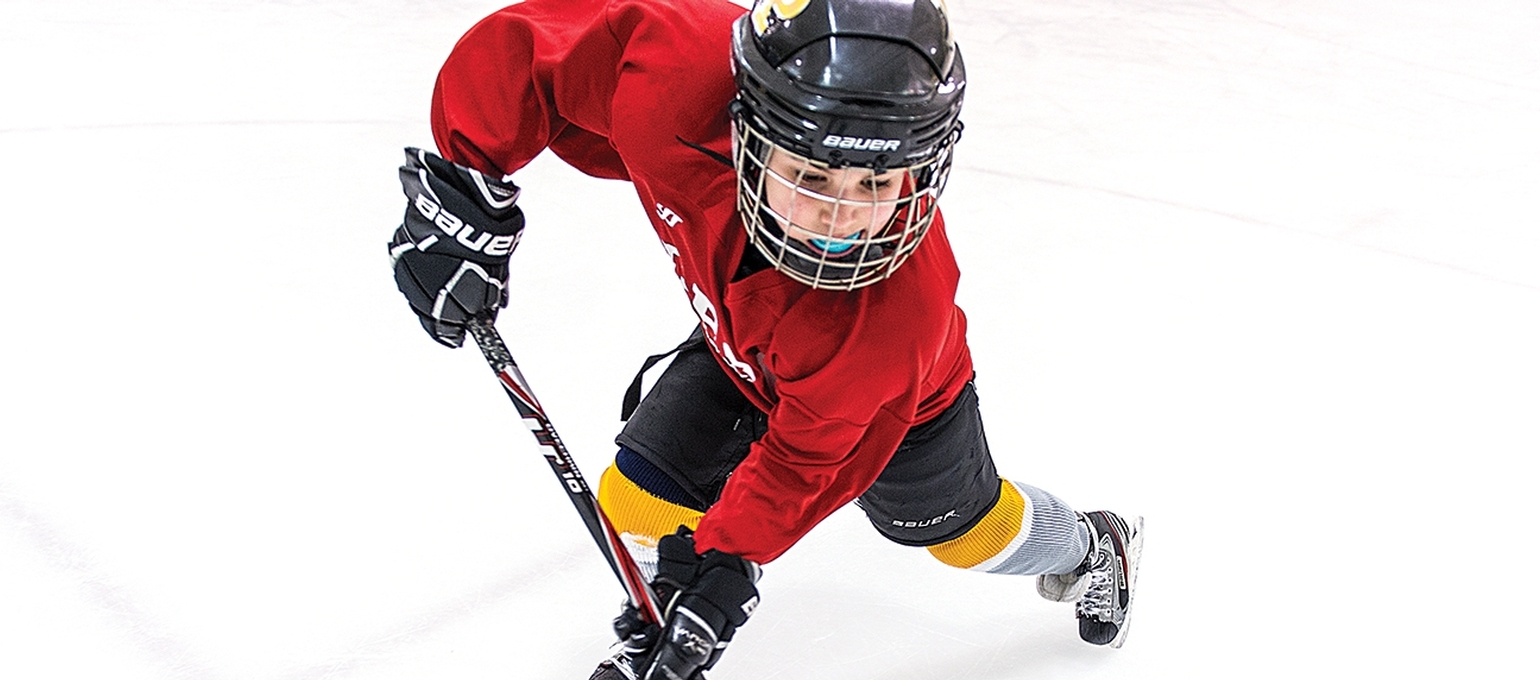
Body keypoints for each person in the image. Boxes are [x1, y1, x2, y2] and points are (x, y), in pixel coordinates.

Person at [387, 1, 1143, 678]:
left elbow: (804, 460)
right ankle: (660, 610)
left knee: (964, 535)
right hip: (741, 347)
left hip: (898, 410)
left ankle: (1090, 546)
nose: (839, 220)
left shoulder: (893, 319)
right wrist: (465, 188)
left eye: (876, 186)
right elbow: (523, 55)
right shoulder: (676, 72)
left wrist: (722, 561)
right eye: (811, 175)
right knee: (637, 500)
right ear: (746, 126)